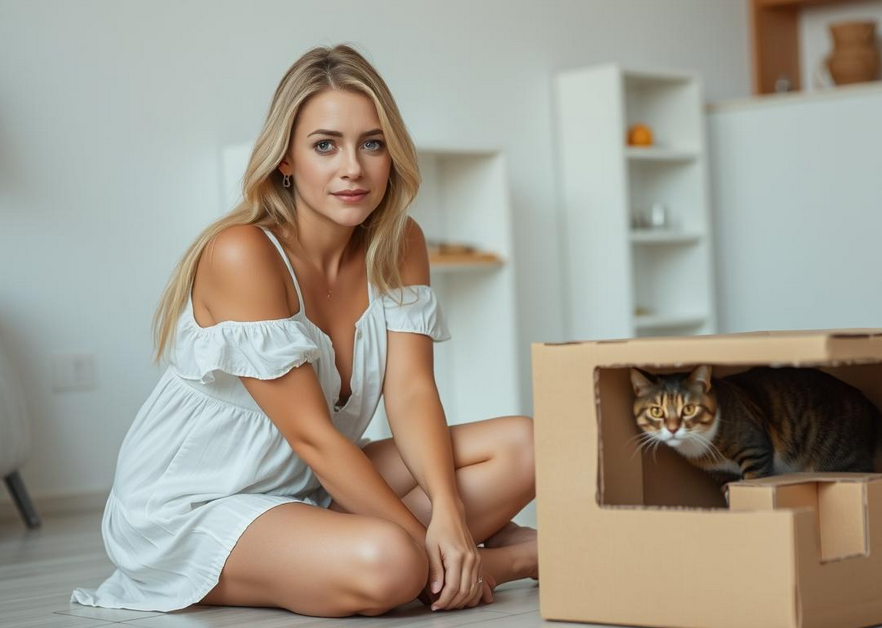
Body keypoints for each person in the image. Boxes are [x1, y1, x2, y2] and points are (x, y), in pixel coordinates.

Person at [71, 43, 537, 618]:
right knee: (391, 560)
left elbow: (412, 392)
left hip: (308, 488)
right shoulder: (243, 254)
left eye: (372, 143)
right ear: (286, 159)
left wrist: (447, 512)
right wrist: (436, 541)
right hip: (194, 504)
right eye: (325, 145)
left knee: (527, 446)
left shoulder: (400, 242)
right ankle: (519, 559)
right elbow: (313, 438)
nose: (353, 168)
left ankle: (436, 556)